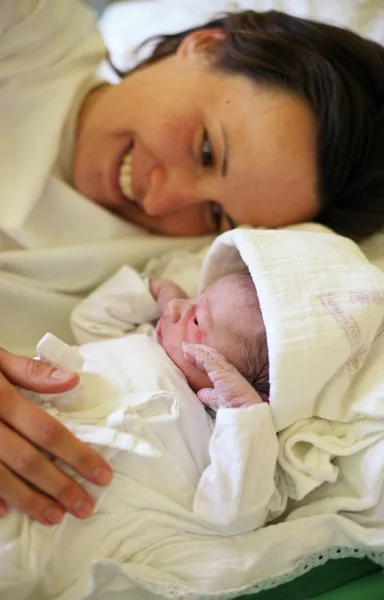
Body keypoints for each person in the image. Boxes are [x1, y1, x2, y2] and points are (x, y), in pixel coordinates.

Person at [1, 0, 383, 524]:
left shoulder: (163, 288)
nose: (160, 201)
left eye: (215, 214)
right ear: (205, 45)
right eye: (206, 150)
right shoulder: (27, 30)